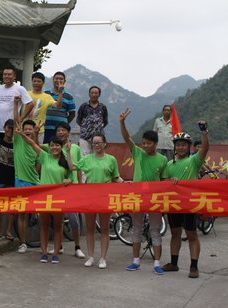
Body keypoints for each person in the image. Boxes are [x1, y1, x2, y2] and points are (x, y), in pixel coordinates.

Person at [120, 108, 167, 274]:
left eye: (148, 143)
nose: (145, 145)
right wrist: (122, 122)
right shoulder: (138, 153)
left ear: (155, 144)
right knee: (137, 229)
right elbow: (127, 138)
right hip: (137, 196)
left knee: (155, 230)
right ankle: (135, 261)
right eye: (144, 143)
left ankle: (157, 264)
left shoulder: (163, 159)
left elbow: (164, 181)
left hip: (154, 198)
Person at [161, 122, 210, 279]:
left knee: (191, 234)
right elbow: (163, 183)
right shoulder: (169, 164)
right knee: (175, 233)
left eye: (183, 145)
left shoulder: (194, 161)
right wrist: (169, 181)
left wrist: (204, 132)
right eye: (178, 145)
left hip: (190, 204)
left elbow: (205, 149)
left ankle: (193, 267)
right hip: (174, 204)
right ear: (175, 147)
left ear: (189, 147)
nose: (181, 147)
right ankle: (174, 263)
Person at [17, 128, 74, 264]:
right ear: (49, 146)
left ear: (61, 147)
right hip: (44, 198)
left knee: (58, 226)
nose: (54, 148)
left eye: (57, 145)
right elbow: (32, 143)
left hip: (59, 198)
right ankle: (43, 252)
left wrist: (68, 179)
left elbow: (71, 174)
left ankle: (55, 253)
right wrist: (22, 134)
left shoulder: (65, 163)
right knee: (44, 225)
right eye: (52, 145)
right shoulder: (44, 156)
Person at [73, 133, 123, 269]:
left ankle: (102, 258)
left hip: (105, 197)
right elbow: (72, 167)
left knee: (105, 229)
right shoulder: (87, 159)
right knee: (90, 229)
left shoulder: (111, 159)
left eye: (99, 142)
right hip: (90, 197)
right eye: (94, 143)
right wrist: (67, 151)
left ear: (104, 144)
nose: (96, 145)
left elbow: (116, 177)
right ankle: (90, 257)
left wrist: (126, 183)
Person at [43, 122, 85, 258]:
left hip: (71, 188)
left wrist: (79, 184)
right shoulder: (52, 148)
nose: (61, 133)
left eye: (63, 130)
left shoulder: (75, 149)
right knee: (57, 220)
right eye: (58, 131)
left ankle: (77, 246)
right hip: (57, 189)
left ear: (68, 132)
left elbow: (78, 168)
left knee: (73, 219)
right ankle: (59, 246)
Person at [13, 114, 39, 254]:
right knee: (21, 214)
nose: (28, 130)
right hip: (20, 181)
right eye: (26, 128)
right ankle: (23, 243)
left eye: (31, 129)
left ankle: (46, 242)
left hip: (35, 183)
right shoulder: (18, 141)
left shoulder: (36, 146)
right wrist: (16, 103)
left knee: (44, 213)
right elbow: (16, 119)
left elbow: (40, 162)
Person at [0, 67, 33, 143]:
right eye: (5, 74)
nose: (6, 76)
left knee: (11, 152)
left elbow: (30, 104)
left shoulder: (20, 89)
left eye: (9, 74)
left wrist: (21, 119)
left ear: (14, 76)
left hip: (12, 128)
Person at [27, 72, 63, 142]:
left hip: (39, 130)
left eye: (39, 81)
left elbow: (58, 106)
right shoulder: (26, 94)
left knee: (37, 151)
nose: (36, 83)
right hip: (25, 130)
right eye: (34, 81)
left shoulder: (47, 97)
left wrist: (60, 92)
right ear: (31, 82)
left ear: (43, 83)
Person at [44, 71, 76, 144]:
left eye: (61, 79)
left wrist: (63, 123)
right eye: (56, 78)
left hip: (61, 130)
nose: (58, 80)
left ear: (64, 81)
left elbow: (72, 113)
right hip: (46, 127)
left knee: (60, 148)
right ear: (53, 80)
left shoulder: (69, 96)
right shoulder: (46, 93)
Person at [76, 86, 108, 155]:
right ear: (89, 94)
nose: (94, 95)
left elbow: (105, 121)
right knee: (84, 156)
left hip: (98, 138)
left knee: (97, 155)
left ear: (99, 94)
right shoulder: (83, 106)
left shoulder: (103, 107)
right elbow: (78, 120)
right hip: (85, 137)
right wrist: (85, 128)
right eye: (92, 93)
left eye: (96, 93)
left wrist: (98, 128)